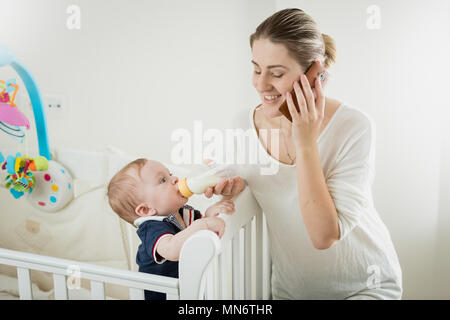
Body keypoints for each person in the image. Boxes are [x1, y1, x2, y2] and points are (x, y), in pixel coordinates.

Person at [223, 8, 403, 299]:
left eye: (276, 73)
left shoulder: (354, 126)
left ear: (313, 74)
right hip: (291, 291)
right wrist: (230, 188)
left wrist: (305, 141)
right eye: (256, 69)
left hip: (365, 286)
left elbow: (323, 236)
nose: (260, 84)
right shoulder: (241, 125)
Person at [107, 158, 240, 299]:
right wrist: (202, 225)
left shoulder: (184, 213)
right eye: (163, 180)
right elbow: (171, 249)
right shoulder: (151, 228)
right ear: (146, 210)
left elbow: (199, 234)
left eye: (170, 174)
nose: (175, 179)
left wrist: (209, 215)